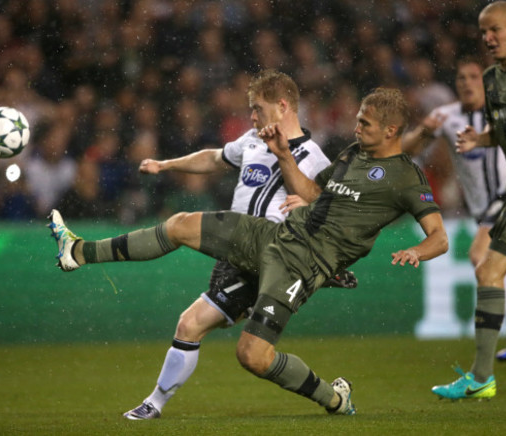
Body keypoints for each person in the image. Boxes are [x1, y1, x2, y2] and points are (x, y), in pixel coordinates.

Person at [48, 87, 449, 416]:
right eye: (358, 117)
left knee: (252, 355)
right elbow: (310, 192)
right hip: (276, 237)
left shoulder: (406, 179)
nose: (356, 126)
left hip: (303, 265)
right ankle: (78, 251)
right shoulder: (350, 155)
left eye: (365, 122)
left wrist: (418, 251)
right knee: (180, 224)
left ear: (392, 130)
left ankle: (333, 398)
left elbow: (439, 237)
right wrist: (285, 157)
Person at [121, 69, 348, 420]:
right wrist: (166, 165)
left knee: (210, 333)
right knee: (217, 339)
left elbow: (328, 214)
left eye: (258, 108)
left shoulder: (315, 159)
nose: (253, 116)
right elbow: (214, 158)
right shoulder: (252, 140)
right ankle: (333, 398)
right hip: (235, 253)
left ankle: (154, 404)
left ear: (283, 105)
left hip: (270, 262)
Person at [432, 1, 506, 400]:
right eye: (484, 32)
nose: (488, 38)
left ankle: (482, 376)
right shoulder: (491, 80)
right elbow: (504, 130)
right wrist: (481, 139)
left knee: (486, 268)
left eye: (495, 29)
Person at [402, 57, 506, 361]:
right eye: (461, 78)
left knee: (480, 256)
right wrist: (424, 132)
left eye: (473, 77)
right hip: (487, 212)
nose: (467, 82)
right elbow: (408, 150)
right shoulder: (446, 116)